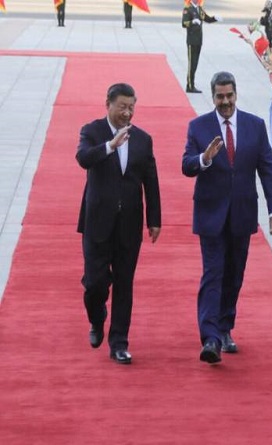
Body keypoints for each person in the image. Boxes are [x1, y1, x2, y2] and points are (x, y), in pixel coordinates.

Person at [181, 72, 272, 364]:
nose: (225, 102)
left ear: (236, 94)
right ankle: (210, 338)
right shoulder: (198, 127)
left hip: (242, 212)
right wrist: (204, 158)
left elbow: (267, 169)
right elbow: (186, 165)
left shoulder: (255, 125)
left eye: (229, 96)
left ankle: (225, 328)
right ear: (212, 97)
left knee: (234, 275)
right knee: (213, 273)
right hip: (210, 214)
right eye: (219, 97)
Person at [76, 83, 162, 365]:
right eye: (122, 107)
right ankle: (97, 316)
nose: (127, 113)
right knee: (95, 284)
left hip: (129, 224)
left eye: (131, 107)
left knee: (124, 283)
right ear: (108, 104)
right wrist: (110, 146)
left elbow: (150, 180)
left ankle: (119, 343)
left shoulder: (143, 139)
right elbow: (83, 158)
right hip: (97, 223)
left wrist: (154, 220)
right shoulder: (92, 131)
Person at [182, 1, 220, 93]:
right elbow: (184, 23)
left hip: (198, 40)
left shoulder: (199, 9)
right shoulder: (187, 9)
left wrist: (215, 18)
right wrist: (192, 22)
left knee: (195, 64)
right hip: (191, 41)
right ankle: (189, 86)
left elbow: (207, 19)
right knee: (191, 64)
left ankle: (192, 84)